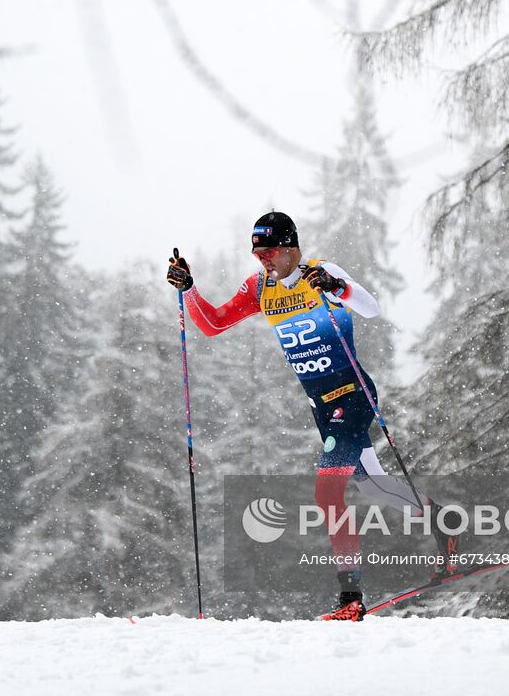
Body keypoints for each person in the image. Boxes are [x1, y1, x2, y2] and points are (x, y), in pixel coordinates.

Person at [166, 211, 456, 621]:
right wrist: (190, 290)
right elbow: (213, 324)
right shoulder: (260, 287)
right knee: (374, 489)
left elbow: (370, 307)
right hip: (323, 406)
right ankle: (442, 519)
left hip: (352, 396)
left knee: (327, 494)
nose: (262, 259)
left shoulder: (318, 273)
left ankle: (350, 599)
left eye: (269, 251)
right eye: (257, 252)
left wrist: (337, 287)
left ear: (290, 248)